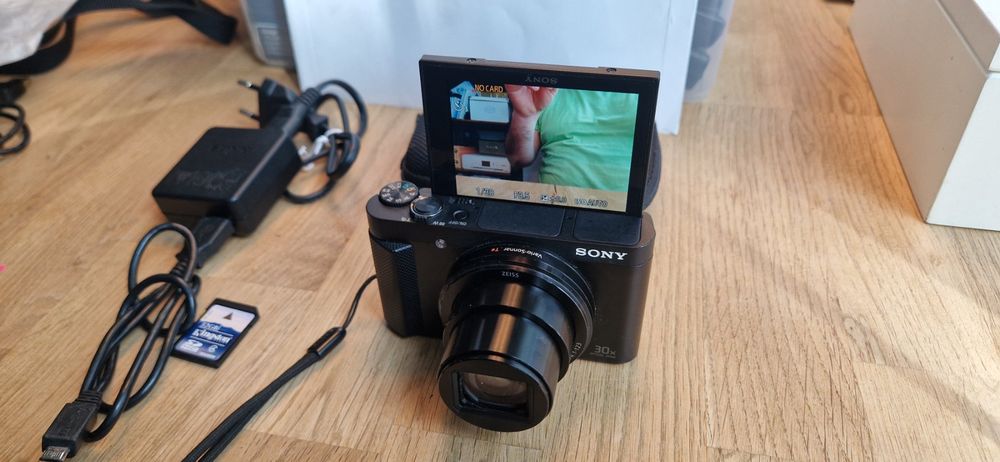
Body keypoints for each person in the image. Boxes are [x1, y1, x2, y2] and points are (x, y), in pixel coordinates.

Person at [504, 84, 638, 192]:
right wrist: (525, 116)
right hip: (554, 205)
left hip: (622, 208)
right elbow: (517, 159)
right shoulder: (546, 88)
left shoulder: (639, 89)